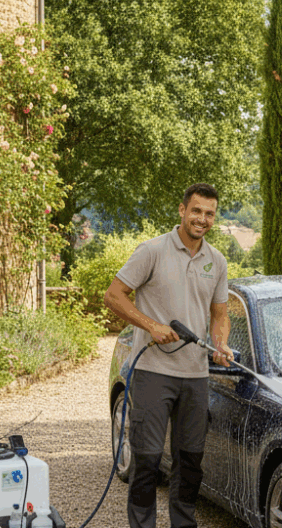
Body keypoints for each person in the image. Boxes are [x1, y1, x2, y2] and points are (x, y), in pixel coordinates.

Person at [104, 183, 234, 528]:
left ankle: (182, 524)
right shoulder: (152, 251)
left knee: (190, 462)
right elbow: (114, 295)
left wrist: (220, 344)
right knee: (146, 461)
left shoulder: (216, 261)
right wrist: (151, 325)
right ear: (182, 210)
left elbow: (220, 316)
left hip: (195, 377)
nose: (202, 219)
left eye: (209, 213)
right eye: (196, 211)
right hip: (152, 372)